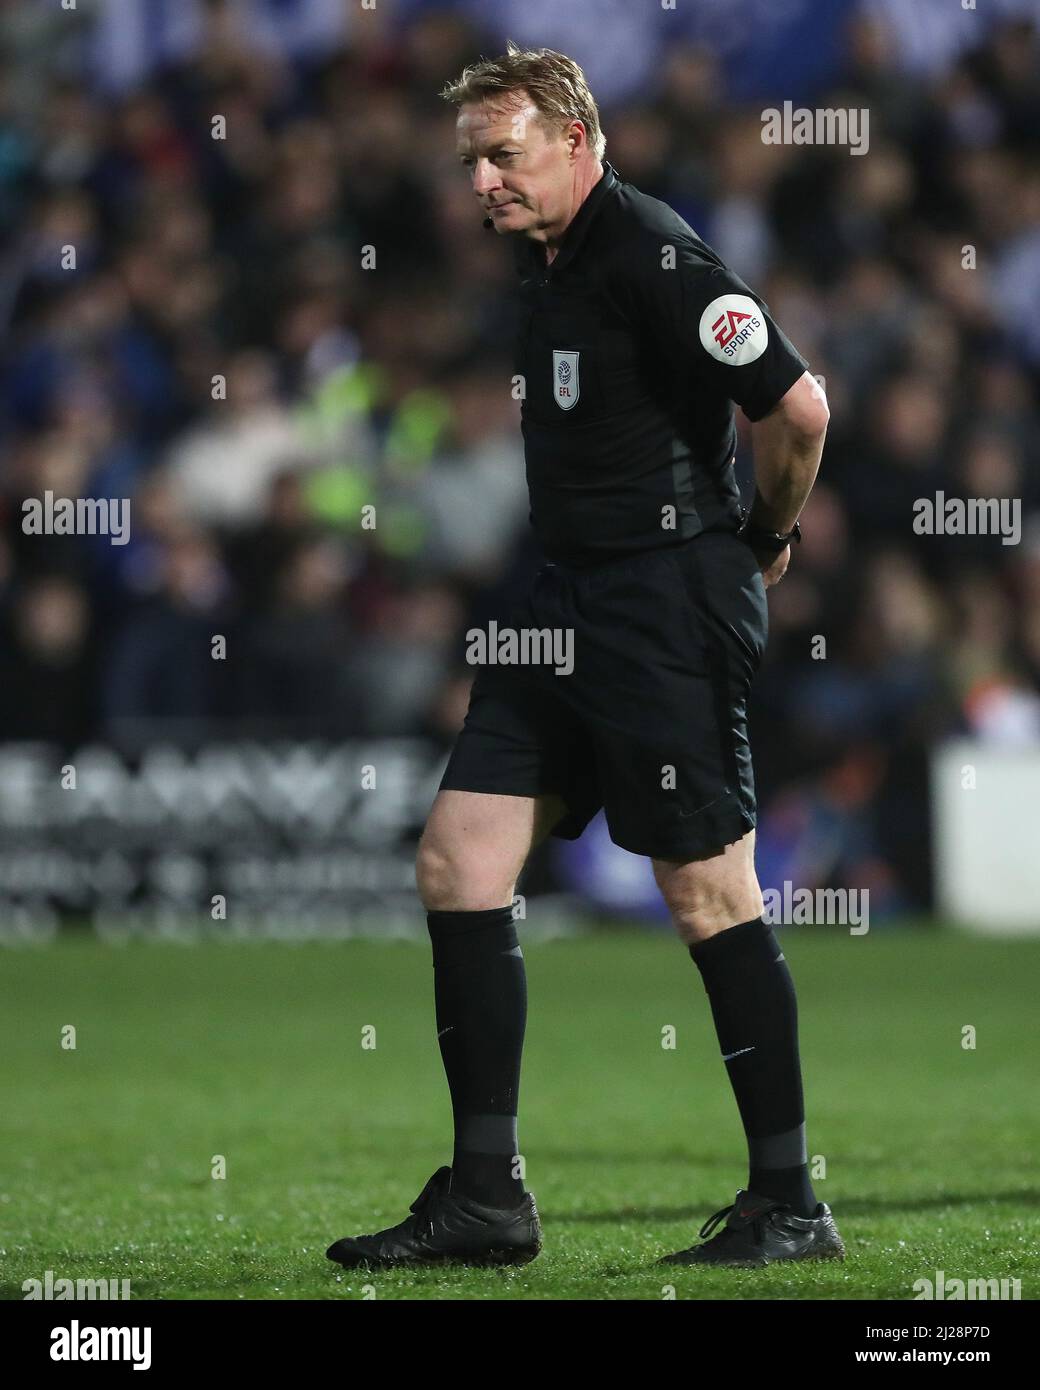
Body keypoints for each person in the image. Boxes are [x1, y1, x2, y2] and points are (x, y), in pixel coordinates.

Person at [326, 42, 843, 1271]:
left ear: (574, 137)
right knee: (458, 860)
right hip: (557, 597)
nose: (482, 185)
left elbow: (798, 407)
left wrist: (765, 538)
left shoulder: (655, 253)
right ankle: (487, 1196)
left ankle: (788, 1201)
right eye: (469, 164)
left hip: (660, 600)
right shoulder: (547, 259)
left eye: (501, 157)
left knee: (705, 891)